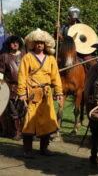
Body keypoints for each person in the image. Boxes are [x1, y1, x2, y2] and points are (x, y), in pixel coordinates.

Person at [17, 28, 63, 158]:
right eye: (37, 42)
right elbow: (22, 76)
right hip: (32, 92)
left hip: (47, 93)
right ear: (33, 43)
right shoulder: (27, 58)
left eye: (42, 43)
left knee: (47, 120)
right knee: (29, 120)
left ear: (45, 44)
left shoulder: (51, 59)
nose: (39, 45)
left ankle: (44, 148)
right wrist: (21, 93)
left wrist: (58, 91)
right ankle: (27, 150)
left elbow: (56, 77)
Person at [0, 36, 25, 140]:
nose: (15, 44)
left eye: (16, 42)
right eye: (12, 43)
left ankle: (26, 131)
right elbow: (1, 72)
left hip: (23, 87)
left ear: (19, 44)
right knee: (13, 112)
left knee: (23, 110)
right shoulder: (4, 57)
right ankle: (17, 132)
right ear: (9, 44)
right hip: (10, 88)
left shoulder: (25, 56)